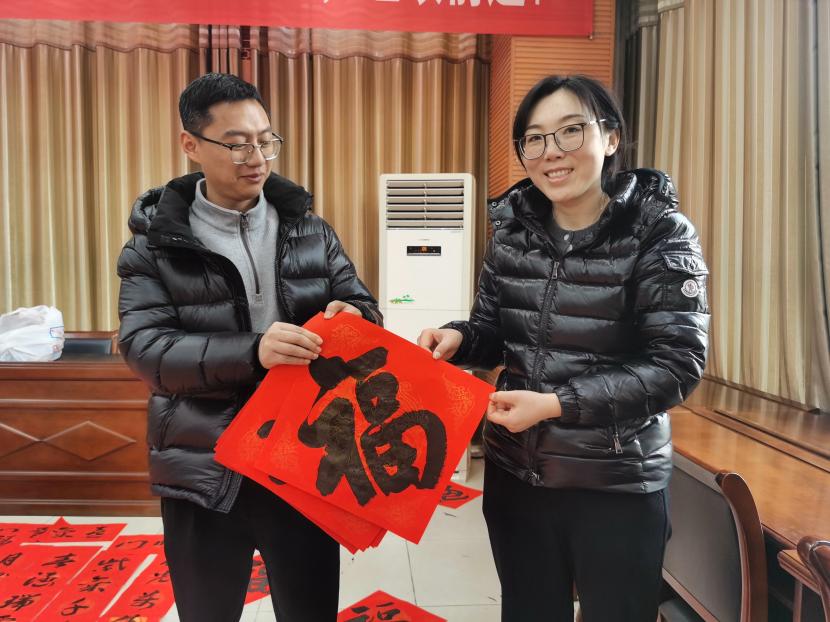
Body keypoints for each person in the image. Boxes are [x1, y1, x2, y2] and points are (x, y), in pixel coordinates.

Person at [418, 75, 709, 622]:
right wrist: (460, 338)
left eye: (570, 131)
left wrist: (556, 405)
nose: (551, 152)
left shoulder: (659, 233)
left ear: (611, 138)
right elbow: (493, 328)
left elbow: (676, 365)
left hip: (615, 483)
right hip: (517, 474)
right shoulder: (511, 233)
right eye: (535, 138)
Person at [117, 72, 381, 622]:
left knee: (310, 609)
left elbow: (363, 305)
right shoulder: (154, 247)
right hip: (204, 467)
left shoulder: (311, 230)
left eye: (265, 140)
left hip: (304, 460)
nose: (256, 157)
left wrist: (356, 318)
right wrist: (253, 352)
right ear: (191, 144)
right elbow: (148, 350)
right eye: (237, 143)